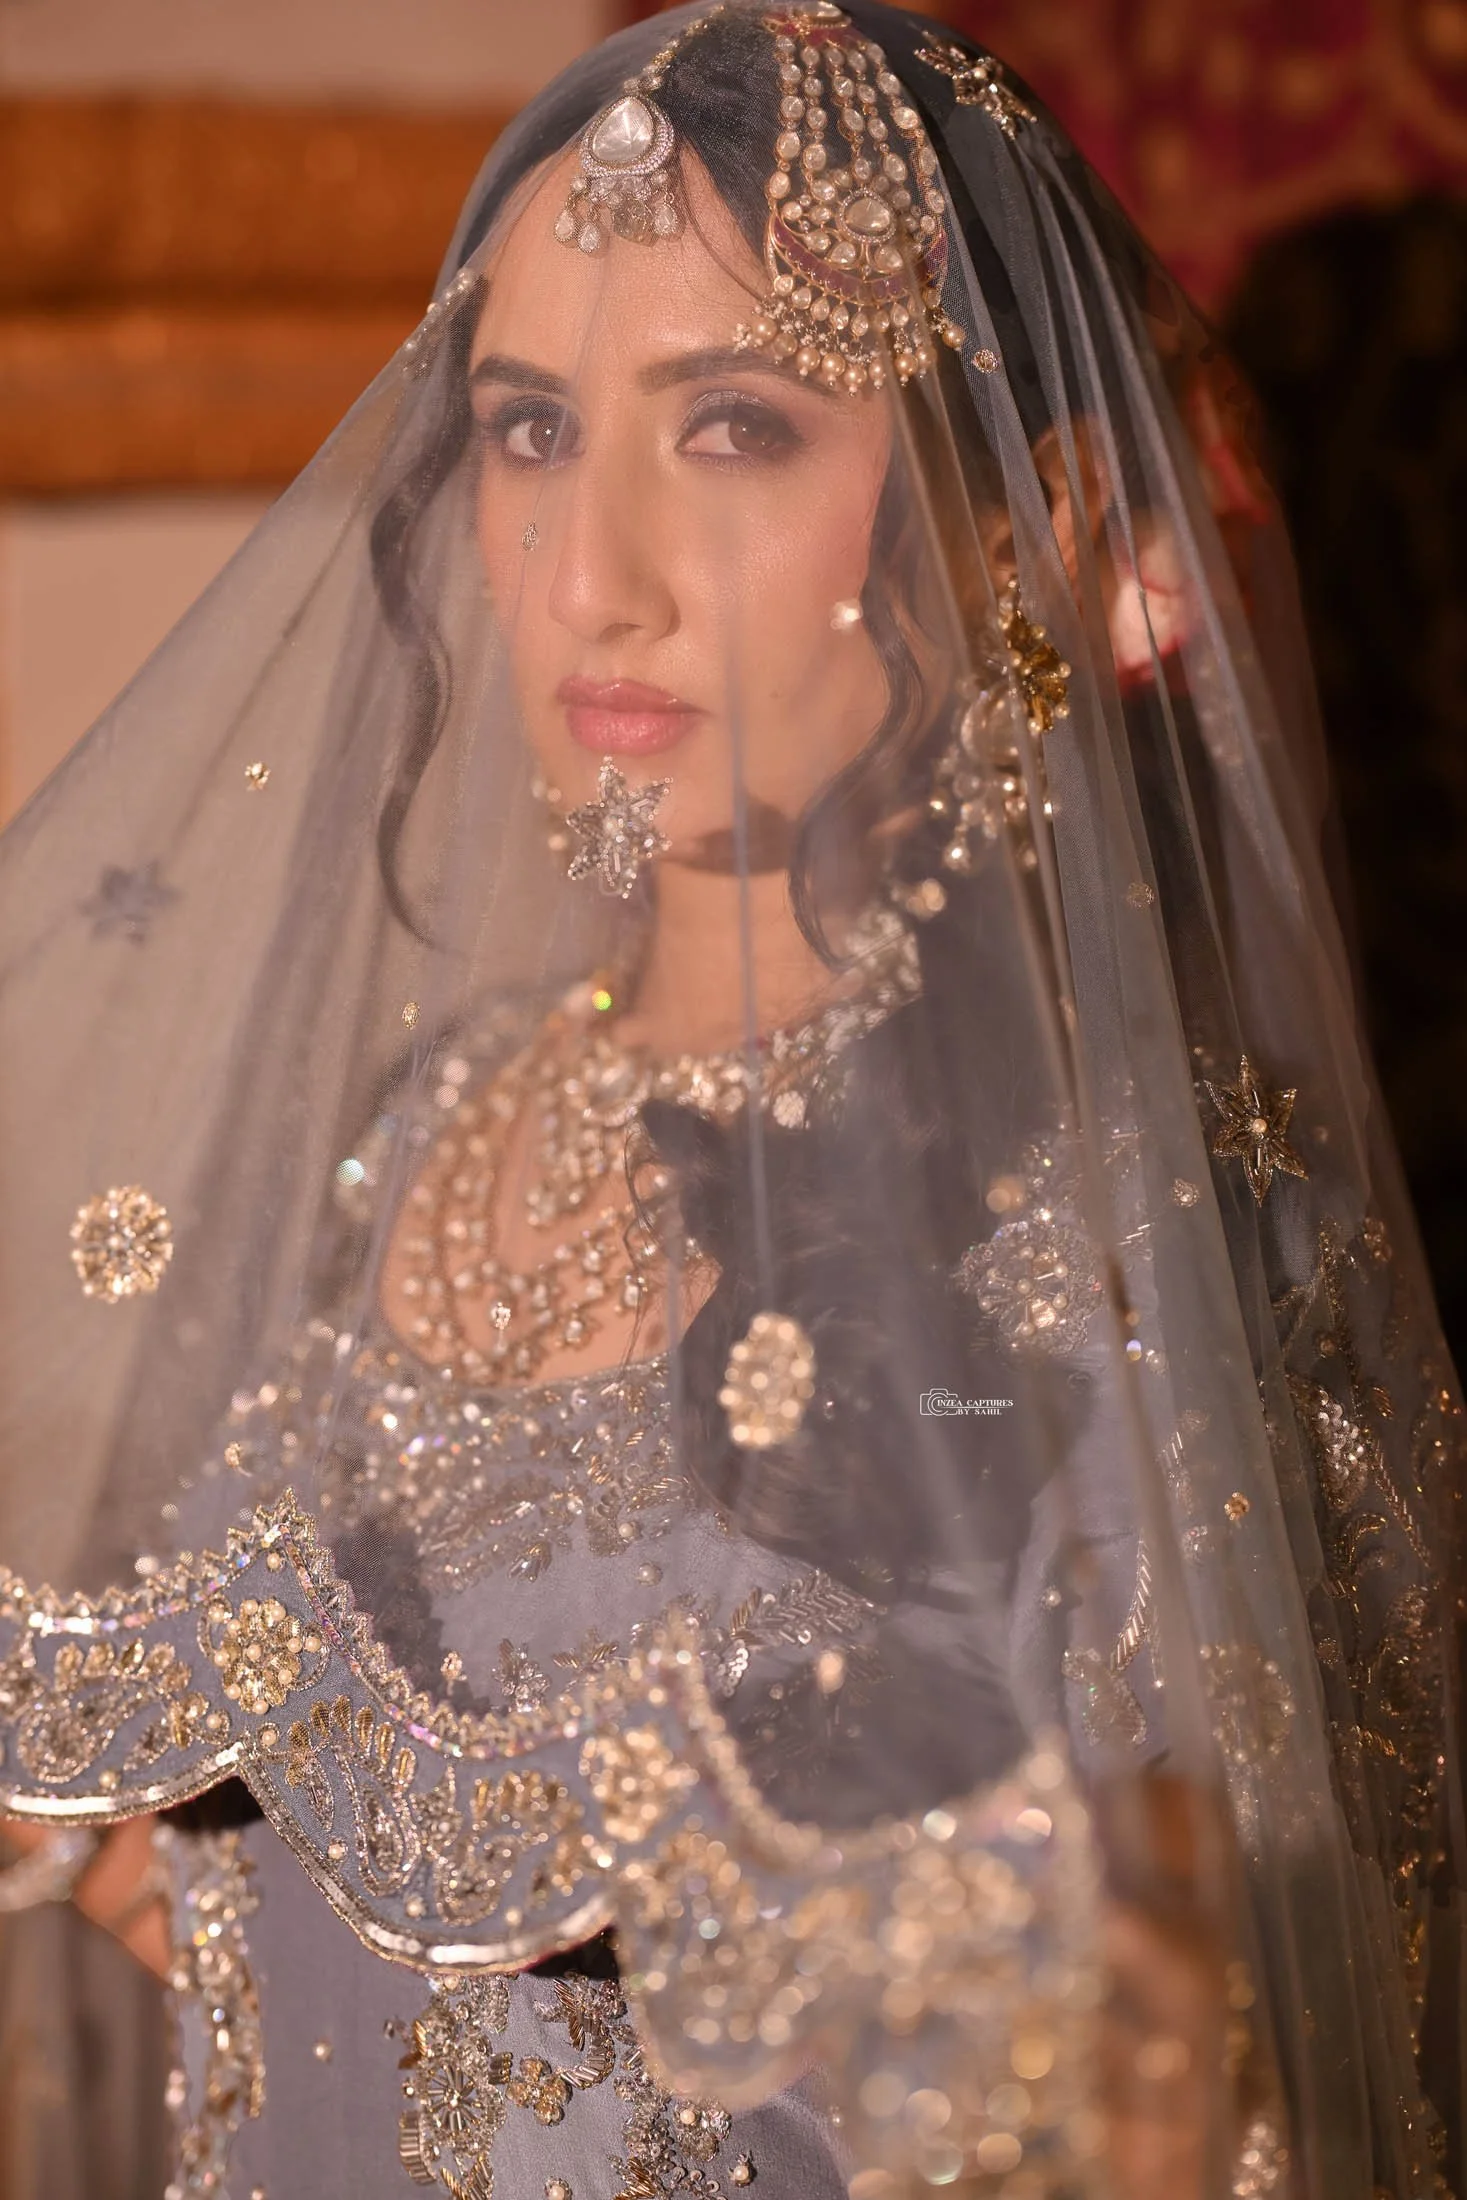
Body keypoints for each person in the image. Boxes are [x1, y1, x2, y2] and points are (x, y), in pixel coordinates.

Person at [0, 5, 1460, 2195]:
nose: (591, 575)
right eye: (522, 428)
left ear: (1032, 519)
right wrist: (190, 1881)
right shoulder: (417, 1131)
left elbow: (1223, 2102)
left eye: (736, 427)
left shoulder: (1151, 1243)